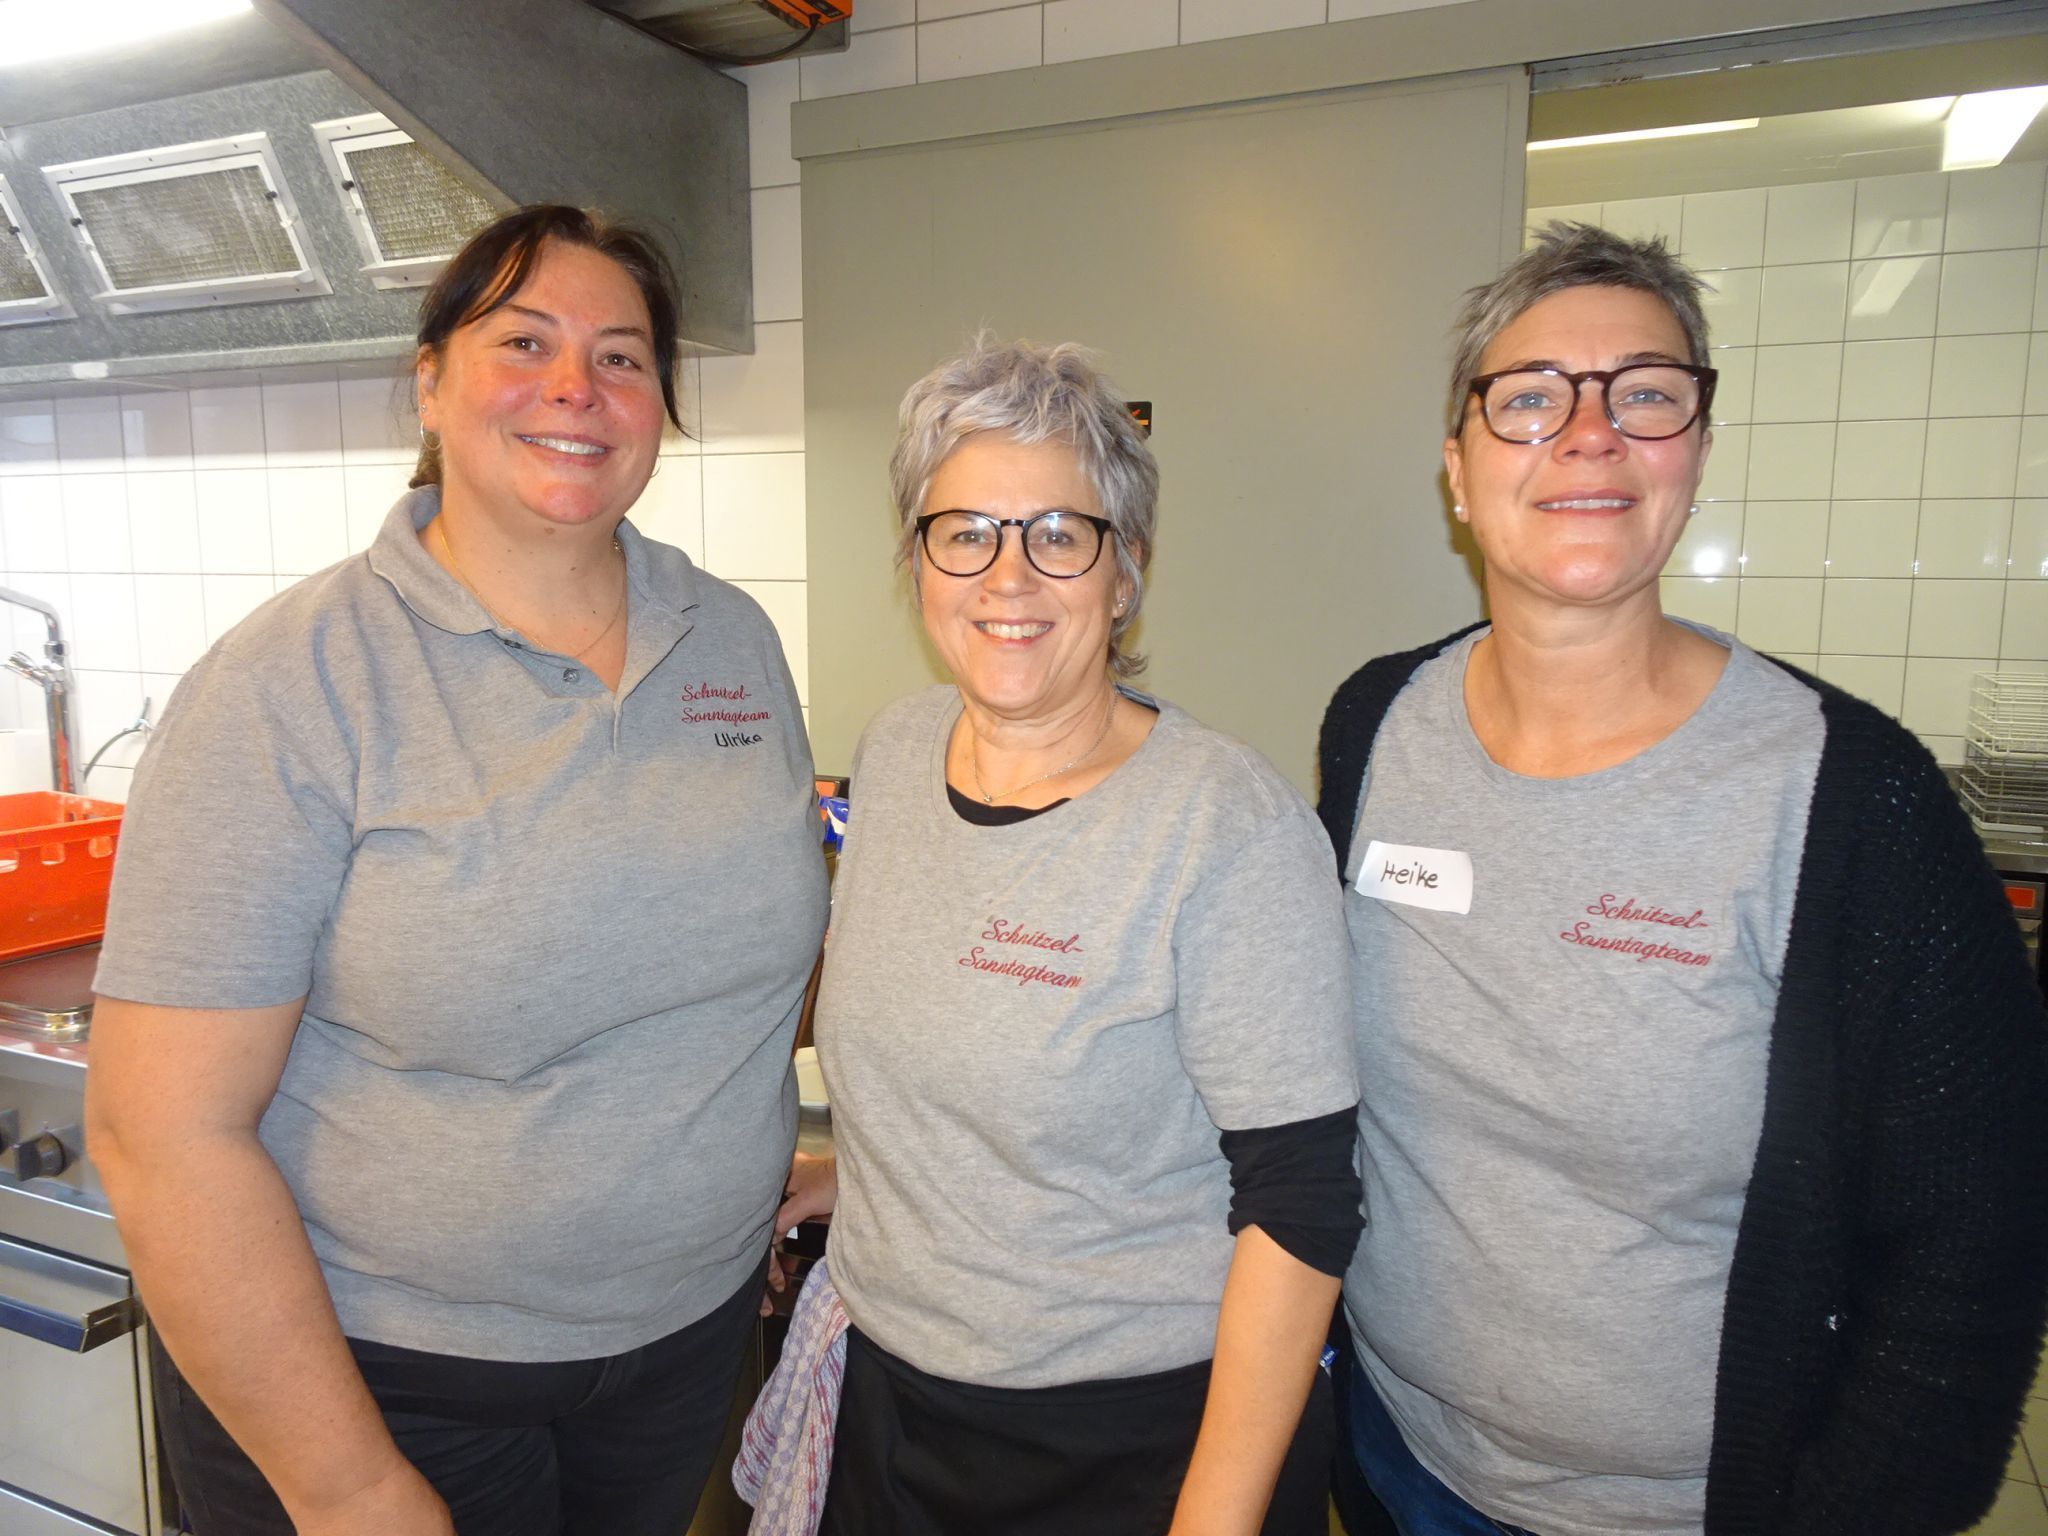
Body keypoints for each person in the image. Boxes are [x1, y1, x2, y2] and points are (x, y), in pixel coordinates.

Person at [86, 205, 829, 1536]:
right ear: (429, 381)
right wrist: (347, 1487)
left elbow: (752, 964)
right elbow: (161, 1135)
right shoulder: (291, 682)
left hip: (680, 1356)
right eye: (523, 342)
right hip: (377, 1388)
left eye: (620, 356)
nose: (575, 387)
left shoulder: (731, 641)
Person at [1316, 221, 2048, 1536]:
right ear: (1458, 472)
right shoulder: (1375, 725)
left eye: (1644, 395)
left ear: (1694, 455)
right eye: (1529, 398)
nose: (1588, 435)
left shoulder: (1851, 798)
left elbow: (1972, 1241)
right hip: (1395, 1458)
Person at [774, 338, 1363, 1536]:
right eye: (965, 532)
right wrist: (874, 1177)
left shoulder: (1221, 826)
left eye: (1058, 534)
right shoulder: (895, 750)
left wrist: (1211, 1520)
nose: (1008, 575)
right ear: (917, 560)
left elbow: (1301, 1204)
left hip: (1130, 1444)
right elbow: (964, 1053)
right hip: (892, 1411)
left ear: (1124, 569)